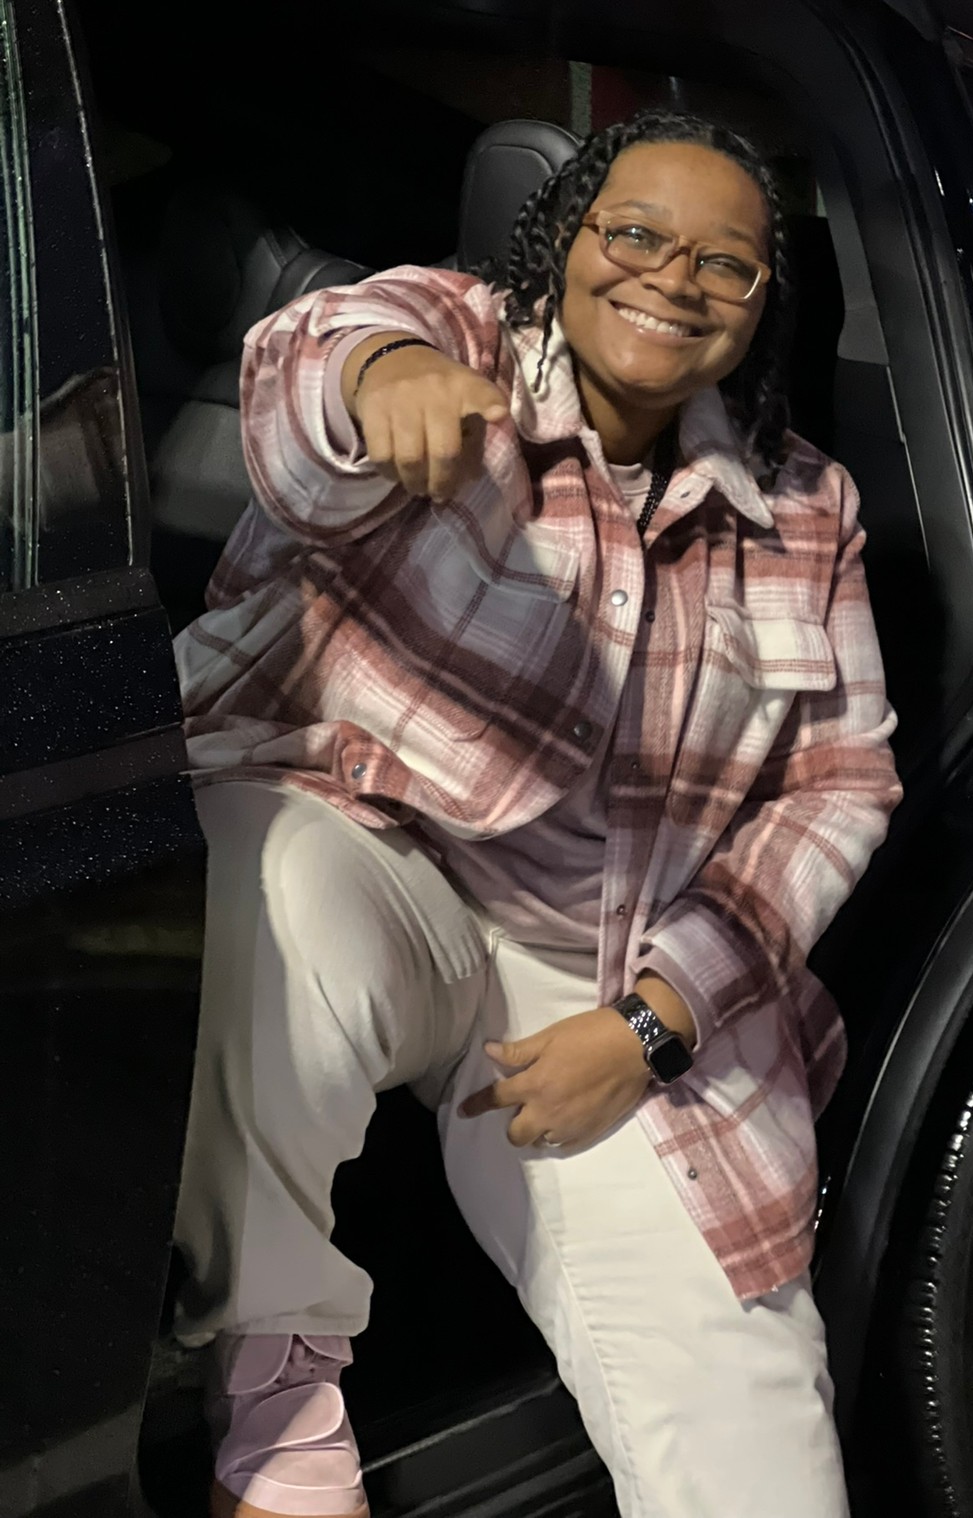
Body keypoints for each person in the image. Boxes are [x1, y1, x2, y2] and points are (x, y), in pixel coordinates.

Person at [172, 107, 902, 1518]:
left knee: (764, 1482)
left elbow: (839, 784)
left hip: (604, 974)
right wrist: (384, 379)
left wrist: (655, 1023)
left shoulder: (808, 508)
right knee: (265, 870)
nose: (672, 277)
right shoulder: (459, 338)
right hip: (378, 864)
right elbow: (307, 364)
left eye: (725, 262)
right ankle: (277, 1394)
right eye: (634, 232)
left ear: (762, 303)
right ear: (565, 241)